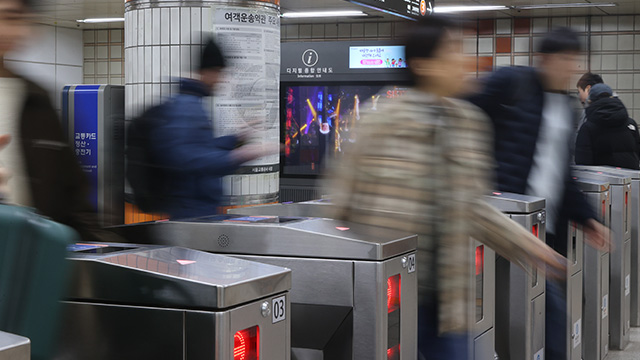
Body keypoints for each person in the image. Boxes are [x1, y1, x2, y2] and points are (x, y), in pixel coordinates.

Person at [328, 16, 567, 360]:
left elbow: (472, 207)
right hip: (388, 296)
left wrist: (531, 248)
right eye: (453, 50)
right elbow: (341, 202)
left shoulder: (469, 123)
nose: (463, 60)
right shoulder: (380, 122)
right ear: (423, 64)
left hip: (447, 300)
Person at [469, 27, 610, 360]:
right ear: (544, 59)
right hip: (508, 227)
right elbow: (464, 114)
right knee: (550, 321)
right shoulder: (510, 84)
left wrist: (590, 218)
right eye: (565, 59)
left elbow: (561, 175)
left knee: (546, 322)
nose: (571, 68)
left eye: (575, 60)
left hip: (547, 233)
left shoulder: (565, 107)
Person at [0, 0, 106, 241]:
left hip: (29, 259)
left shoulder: (36, 98)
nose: (6, 29)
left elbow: (74, 198)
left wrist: (103, 255)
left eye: (14, 18)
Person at [150, 38, 275, 219]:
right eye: (218, 72)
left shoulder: (193, 102)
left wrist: (236, 139)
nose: (221, 79)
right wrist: (239, 156)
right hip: (190, 212)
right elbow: (187, 158)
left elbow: (200, 147)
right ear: (205, 72)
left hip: (199, 210)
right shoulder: (187, 106)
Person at [575, 83, 640, 169]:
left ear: (590, 101)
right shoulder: (631, 124)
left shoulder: (587, 128)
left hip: (601, 179)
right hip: (630, 179)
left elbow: (583, 163)